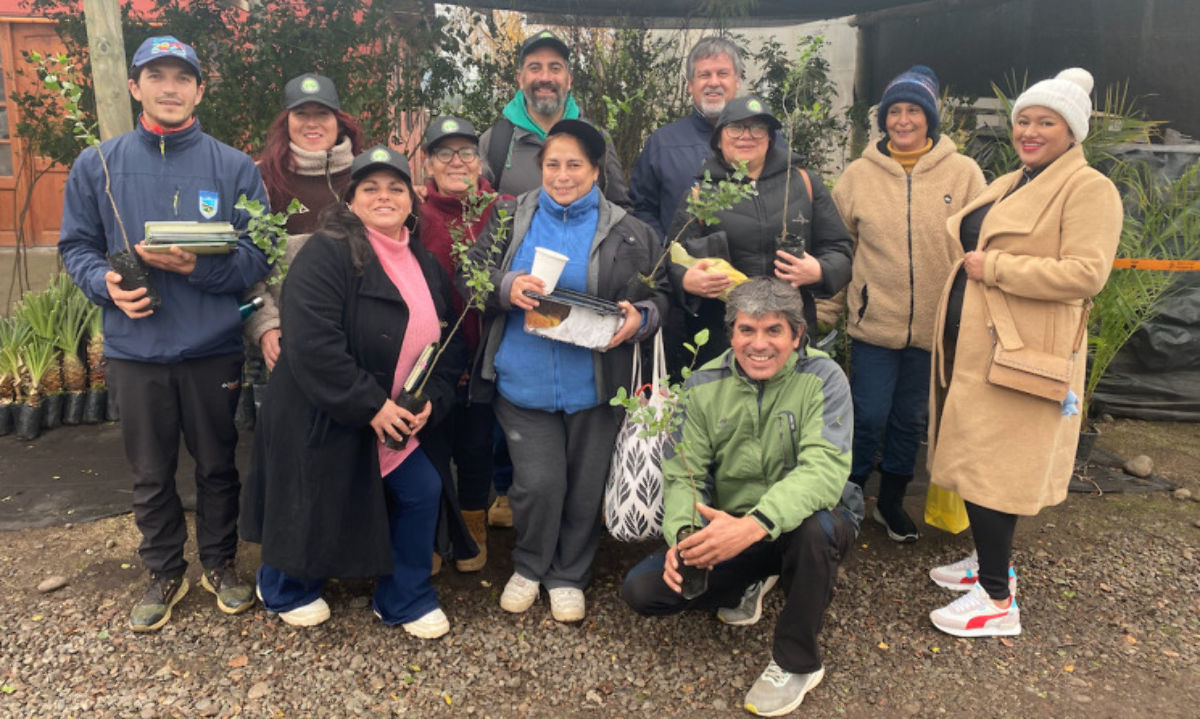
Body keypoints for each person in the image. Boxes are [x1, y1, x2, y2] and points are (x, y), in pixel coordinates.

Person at [58, 35, 268, 631]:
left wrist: (196, 269)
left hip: (212, 348)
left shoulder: (233, 167)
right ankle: (163, 571)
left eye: (182, 77)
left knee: (218, 463)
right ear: (135, 87)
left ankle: (220, 564)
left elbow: (257, 257)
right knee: (150, 471)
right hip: (135, 348)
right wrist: (104, 282)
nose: (170, 88)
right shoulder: (96, 163)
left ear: (200, 89)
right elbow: (75, 245)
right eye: (157, 77)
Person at [239, 146, 471, 637]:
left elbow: (443, 341)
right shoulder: (325, 254)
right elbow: (314, 343)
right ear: (351, 199)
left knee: (422, 491)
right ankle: (283, 586)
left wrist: (434, 399)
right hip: (321, 409)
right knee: (314, 498)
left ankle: (404, 597)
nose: (384, 196)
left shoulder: (424, 261)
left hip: (395, 415)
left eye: (395, 187)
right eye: (371, 188)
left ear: (413, 198)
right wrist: (371, 405)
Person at [926, 68, 1122, 637]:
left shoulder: (1089, 189)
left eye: (1046, 122)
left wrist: (999, 268)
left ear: (1072, 131)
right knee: (980, 460)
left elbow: (1087, 274)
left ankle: (995, 601)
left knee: (995, 468)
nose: (1030, 131)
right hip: (980, 350)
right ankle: (991, 565)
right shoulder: (1018, 179)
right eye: (1024, 121)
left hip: (1021, 354)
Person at [621, 278, 862, 717]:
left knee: (815, 531)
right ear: (731, 334)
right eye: (747, 330)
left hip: (801, 522)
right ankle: (750, 581)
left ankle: (797, 662)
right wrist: (684, 537)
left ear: (796, 335)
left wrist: (753, 526)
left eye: (774, 331)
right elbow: (683, 475)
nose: (759, 344)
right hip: (730, 527)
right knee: (644, 590)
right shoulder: (701, 385)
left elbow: (824, 470)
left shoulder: (824, 378)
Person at [466, 119, 668, 623]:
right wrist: (505, 285)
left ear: (596, 170)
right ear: (540, 168)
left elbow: (661, 295)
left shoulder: (629, 231)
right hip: (523, 380)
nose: (562, 174)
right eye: (553, 164)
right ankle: (530, 566)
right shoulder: (511, 217)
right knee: (537, 485)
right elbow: (471, 274)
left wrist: (642, 318)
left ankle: (568, 575)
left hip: (596, 385)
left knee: (583, 487)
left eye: (575, 164)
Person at [831, 65, 986, 543]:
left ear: (930, 118)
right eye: (894, 111)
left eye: (912, 111)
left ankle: (893, 501)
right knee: (869, 411)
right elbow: (839, 249)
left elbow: (982, 245)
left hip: (935, 328)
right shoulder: (857, 176)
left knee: (910, 418)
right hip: (875, 322)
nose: (902, 120)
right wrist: (825, 312)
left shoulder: (963, 174)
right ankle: (852, 495)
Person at [668, 96, 853, 370]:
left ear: (769, 138)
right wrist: (686, 280)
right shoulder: (699, 196)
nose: (747, 136)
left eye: (757, 128)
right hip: (725, 341)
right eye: (735, 128)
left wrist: (820, 271)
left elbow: (841, 250)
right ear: (719, 139)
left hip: (791, 335)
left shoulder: (803, 182)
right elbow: (668, 262)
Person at [419, 116, 510, 572]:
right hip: (430, 358)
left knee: (476, 445)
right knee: (432, 444)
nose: (457, 162)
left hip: (486, 353)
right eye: (445, 153)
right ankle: (435, 530)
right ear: (429, 164)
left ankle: (473, 523)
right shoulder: (415, 214)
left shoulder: (506, 209)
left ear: (481, 161)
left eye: (467, 153)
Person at [244, 72, 365, 372]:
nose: (312, 123)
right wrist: (265, 325)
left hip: (361, 339)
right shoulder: (261, 180)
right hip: (288, 343)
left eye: (322, 113)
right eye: (301, 114)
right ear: (287, 121)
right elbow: (246, 265)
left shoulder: (367, 177)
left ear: (338, 120)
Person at [479, 30, 630, 206]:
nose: (545, 77)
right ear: (520, 79)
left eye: (555, 68)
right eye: (535, 68)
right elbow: (475, 215)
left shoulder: (596, 137)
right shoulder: (494, 142)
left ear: (569, 80)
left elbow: (620, 209)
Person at [629, 36, 744, 240]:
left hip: (752, 270)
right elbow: (641, 208)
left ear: (737, 81)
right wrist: (665, 254)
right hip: (683, 269)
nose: (714, 82)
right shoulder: (662, 143)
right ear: (690, 85)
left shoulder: (763, 140)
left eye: (722, 73)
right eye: (704, 75)